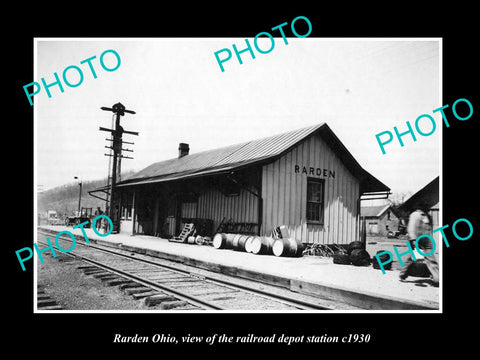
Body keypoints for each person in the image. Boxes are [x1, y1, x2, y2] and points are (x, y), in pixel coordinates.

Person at [399, 207, 439, 286]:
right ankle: (403, 274)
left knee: (431, 258)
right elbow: (411, 228)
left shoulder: (428, 216)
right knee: (411, 257)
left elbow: (429, 229)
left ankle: (437, 279)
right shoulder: (415, 215)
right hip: (416, 239)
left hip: (427, 239)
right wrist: (413, 239)